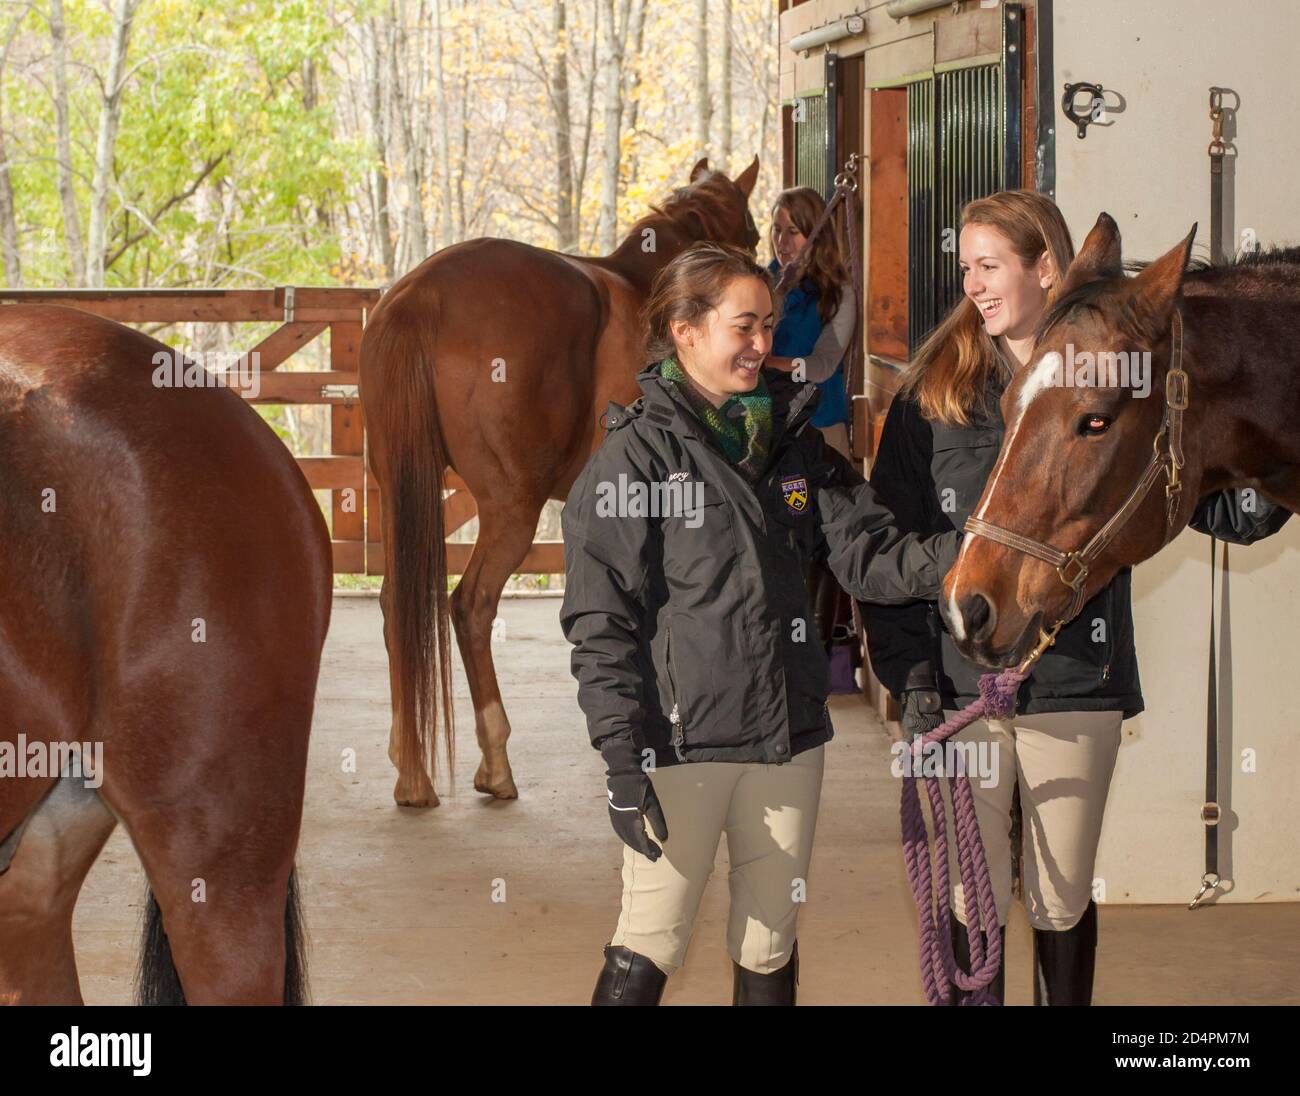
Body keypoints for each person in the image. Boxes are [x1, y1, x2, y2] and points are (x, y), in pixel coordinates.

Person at [865, 188, 1291, 1005]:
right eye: (967, 270)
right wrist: (911, 680)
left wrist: (1261, 471)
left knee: (1061, 895)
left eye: (991, 266)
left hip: (1072, 681)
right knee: (969, 895)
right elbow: (886, 542)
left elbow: (1188, 490)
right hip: (959, 686)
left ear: (1049, 269)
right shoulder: (936, 396)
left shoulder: (1111, 390)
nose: (976, 286)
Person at [559, 241, 961, 1006]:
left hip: (788, 740)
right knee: (652, 939)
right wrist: (620, 757)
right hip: (678, 746)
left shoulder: (795, 446)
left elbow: (872, 558)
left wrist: (976, 554)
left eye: (769, 326)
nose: (763, 346)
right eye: (745, 327)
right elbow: (599, 621)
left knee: (770, 942)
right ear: (684, 327)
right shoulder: (632, 462)